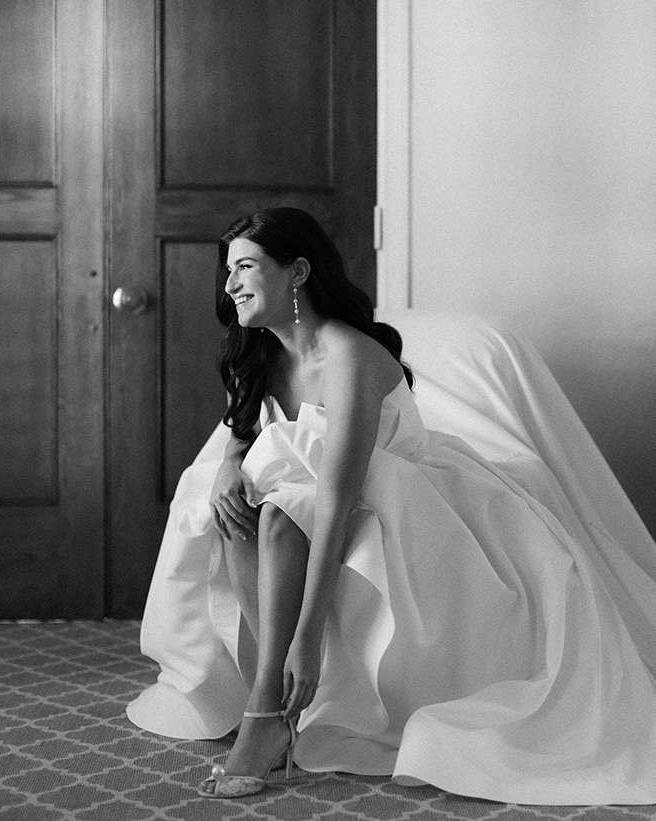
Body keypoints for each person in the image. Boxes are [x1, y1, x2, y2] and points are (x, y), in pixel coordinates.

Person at [127, 207, 656, 805]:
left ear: (297, 272)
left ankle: (267, 710)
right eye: (227, 271)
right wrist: (227, 466)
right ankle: (268, 701)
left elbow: (337, 491)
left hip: (390, 496)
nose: (230, 286)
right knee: (235, 509)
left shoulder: (349, 355)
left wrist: (309, 638)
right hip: (306, 497)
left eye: (245, 267)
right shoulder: (258, 356)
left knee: (279, 512)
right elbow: (243, 430)